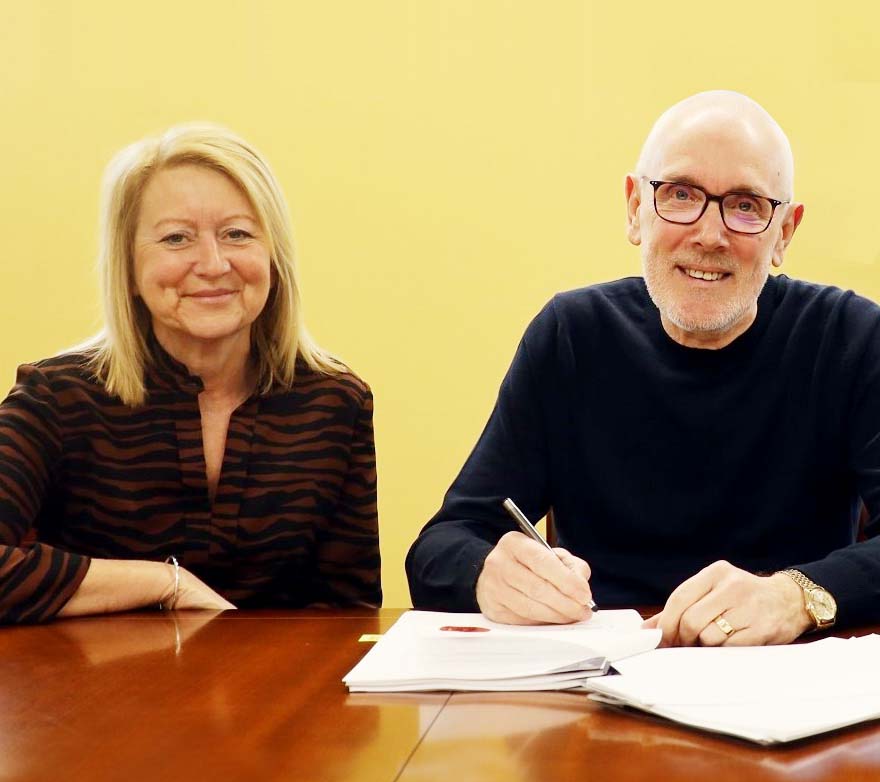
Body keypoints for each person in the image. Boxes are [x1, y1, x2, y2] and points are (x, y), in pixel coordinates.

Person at [407, 90, 880, 647]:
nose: (710, 234)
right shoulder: (572, 336)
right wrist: (490, 573)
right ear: (635, 209)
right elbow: (442, 544)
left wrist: (796, 595)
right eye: (680, 195)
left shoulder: (850, 337)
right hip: (608, 680)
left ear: (785, 234)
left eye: (746, 205)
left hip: (791, 685)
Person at [0, 123, 380, 623]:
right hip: (97, 695)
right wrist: (164, 583)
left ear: (274, 256)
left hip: (270, 696)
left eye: (237, 234)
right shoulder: (55, 397)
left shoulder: (335, 402)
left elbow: (346, 616)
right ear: (129, 268)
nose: (213, 263)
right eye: (176, 238)